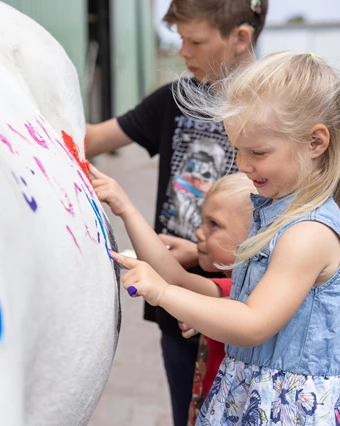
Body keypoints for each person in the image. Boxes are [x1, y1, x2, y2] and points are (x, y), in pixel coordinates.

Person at [109, 51, 340, 424]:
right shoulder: (274, 215)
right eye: (237, 149)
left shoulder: (308, 233)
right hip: (249, 393)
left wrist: (164, 294)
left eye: (258, 152)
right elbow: (216, 292)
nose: (243, 164)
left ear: (315, 143)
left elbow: (252, 322)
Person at [85, 1, 268, 424]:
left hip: (243, 310)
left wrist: (207, 255)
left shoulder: (276, 111)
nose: (183, 52)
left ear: (241, 37)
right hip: (179, 310)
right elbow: (91, 139)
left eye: (196, 41)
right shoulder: (174, 99)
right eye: (180, 39)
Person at [90, 166, 257, 424]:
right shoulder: (232, 288)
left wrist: (126, 209)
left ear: (253, 238)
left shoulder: (240, 295)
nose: (199, 233)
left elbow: (173, 279)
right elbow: (175, 276)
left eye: (214, 225)